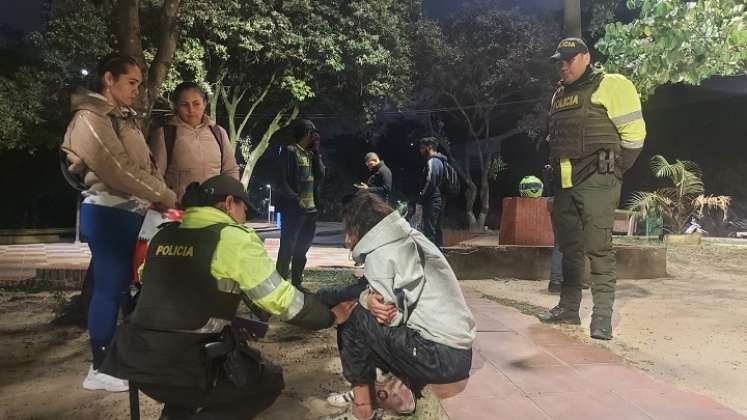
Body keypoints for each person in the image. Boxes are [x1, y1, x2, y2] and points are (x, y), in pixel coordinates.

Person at [100, 174, 356, 420]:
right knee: (268, 381)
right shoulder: (232, 238)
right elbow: (281, 299)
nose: (245, 218)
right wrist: (327, 316)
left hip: (138, 363)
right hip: (189, 369)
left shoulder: (163, 235)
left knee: (184, 376)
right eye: (244, 209)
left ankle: (174, 413)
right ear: (229, 203)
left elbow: (162, 288)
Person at [61, 53, 177, 391]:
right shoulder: (89, 118)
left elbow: (144, 165)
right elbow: (118, 169)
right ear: (108, 80)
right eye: (131, 82)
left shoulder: (123, 117)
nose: (136, 91)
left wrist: (157, 194)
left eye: (139, 84)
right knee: (109, 288)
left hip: (131, 211)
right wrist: (165, 194)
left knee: (126, 287)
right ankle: (100, 368)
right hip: (109, 210)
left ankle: (121, 358)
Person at [325, 192, 475, 420]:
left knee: (352, 315)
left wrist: (365, 301)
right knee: (362, 310)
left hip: (439, 356)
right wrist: (367, 297)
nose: (346, 239)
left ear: (359, 228)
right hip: (458, 353)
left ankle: (362, 409)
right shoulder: (410, 237)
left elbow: (389, 317)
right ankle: (381, 390)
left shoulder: (381, 254)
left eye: (347, 230)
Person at [538, 38, 646, 340]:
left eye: (570, 58)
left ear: (586, 57)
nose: (563, 64)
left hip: (598, 180)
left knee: (599, 249)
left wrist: (613, 170)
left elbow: (635, 137)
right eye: (560, 59)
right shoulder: (559, 95)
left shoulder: (612, 84)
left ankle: (601, 318)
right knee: (570, 248)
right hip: (564, 183)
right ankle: (569, 309)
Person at [149, 81, 239, 200]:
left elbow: (230, 170)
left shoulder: (219, 133)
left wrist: (233, 199)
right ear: (176, 106)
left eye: (196, 104)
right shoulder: (165, 134)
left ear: (204, 104)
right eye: (184, 104)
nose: (191, 110)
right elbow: (156, 175)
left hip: (214, 208)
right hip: (179, 209)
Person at [274, 119, 324, 289]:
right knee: (287, 247)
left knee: (302, 249)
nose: (315, 137)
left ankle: (297, 282)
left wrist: (317, 153)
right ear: (305, 133)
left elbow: (321, 175)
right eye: (312, 133)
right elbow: (280, 181)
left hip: (311, 211)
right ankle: (279, 283)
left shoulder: (311, 154)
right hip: (293, 210)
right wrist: (296, 199)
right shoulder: (289, 151)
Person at [416, 137, 448, 248]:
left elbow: (430, 182)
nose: (420, 151)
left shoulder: (433, 161)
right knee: (436, 230)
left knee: (430, 232)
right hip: (437, 200)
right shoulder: (440, 161)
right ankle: (439, 259)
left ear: (429, 147)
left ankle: (432, 261)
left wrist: (421, 196)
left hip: (431, 200)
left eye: (422, 148)